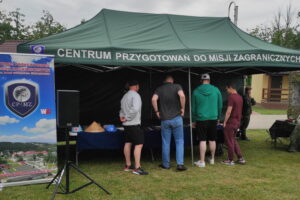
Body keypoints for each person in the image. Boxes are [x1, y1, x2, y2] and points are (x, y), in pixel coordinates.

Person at [151, 75, 187, 171]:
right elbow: (182, 96)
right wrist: (183, 108)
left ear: (164, 81)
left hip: (165, 120)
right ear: (172, 81)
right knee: (179, 141)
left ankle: (166, 165)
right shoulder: (177, 86)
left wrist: (156, 111)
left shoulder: (159, 89)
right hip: (177, 118)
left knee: (166, 142)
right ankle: (180, 164)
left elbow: (153, 99)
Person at [192, 73, 222, 168]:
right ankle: (212, 159)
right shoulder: (216, 90)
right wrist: (218, 117)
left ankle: (202, 161)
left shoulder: (196, 91)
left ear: (201, 81)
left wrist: (193, 120)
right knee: (213, 139)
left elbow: (193, 108)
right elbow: (220, 105)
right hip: (213, 118)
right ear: (209, 80)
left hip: (201, 119)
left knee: (202, 140)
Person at [120, 80, 148, 175]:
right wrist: (127, 117)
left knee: (128, 143)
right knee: (139, 144)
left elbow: (121, 110)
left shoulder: (124, 96)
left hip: (126, 125)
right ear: (136, 86)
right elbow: (135, 109)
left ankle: (128, 165)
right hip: (133, 123)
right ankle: (137, 168)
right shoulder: (135, 95)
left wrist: (122, 117)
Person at [222, 82, 246, 165]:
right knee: (233, 140)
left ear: (231, 88)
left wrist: (224, 122)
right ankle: (240, 158)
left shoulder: (231, 97)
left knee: (229, 141)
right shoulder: (240, 97)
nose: (227, 91)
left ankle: (230, 160)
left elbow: (229, 111)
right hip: (237, 122)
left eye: (227, 89)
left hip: (231, 122)